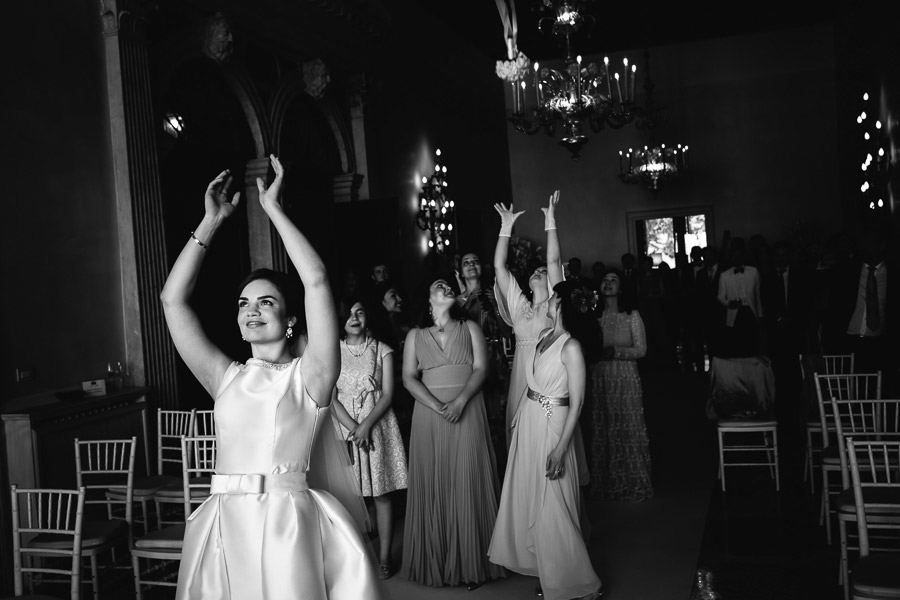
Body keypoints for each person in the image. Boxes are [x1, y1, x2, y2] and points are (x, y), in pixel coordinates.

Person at [162, 155, 384, 599]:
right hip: (225, 525)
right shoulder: (224, 377)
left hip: (289, 525)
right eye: (244, 304)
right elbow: (172, 300)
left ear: (289, 321)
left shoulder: (312, 376)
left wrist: (273, 209)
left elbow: (317, 281)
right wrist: (209, 223)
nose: (251, 310)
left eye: (265, 302)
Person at [488, 278, 603, 600]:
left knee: (555, 501)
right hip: (530, 421)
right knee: (531, 494)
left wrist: (562, 447)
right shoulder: (542, 336)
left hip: (555, 425)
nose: (548, 300)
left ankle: (578, 582)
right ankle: (551, 572)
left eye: (554, 298)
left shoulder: (572, 346)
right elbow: (533, 382)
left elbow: (577, 403)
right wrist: (520, 410)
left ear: (563, 305)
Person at [399, 274, 506, 588]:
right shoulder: (415, 336)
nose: (444, 287)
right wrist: (436, 407)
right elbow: (408, 378)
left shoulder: (469, 327)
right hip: (429, 416)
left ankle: (472, 563)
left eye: (448, 284)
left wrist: (460, 402)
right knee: (435, 481)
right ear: (428, 299)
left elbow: (482, 368)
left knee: (468, 478)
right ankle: (437, 561)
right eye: (437, 285)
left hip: (468, 409)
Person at [331, 298, 408, 579]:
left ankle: (385, 556)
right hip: (344, 429)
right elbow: (329, 397)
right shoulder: (333, 351)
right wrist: (354, 428)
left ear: (368, 317)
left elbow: (388, 393)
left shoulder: (382, 350)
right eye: (348, 312)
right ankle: (356, 557)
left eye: (360, 312)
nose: (354, 317)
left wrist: (366, 427)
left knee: (382, 495)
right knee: (348, 497)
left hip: (378, 427)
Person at [492, 192, 565, 448]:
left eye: (543, 271)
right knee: (521, 438)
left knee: (546, 437)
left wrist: (551, 221)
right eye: (535, 269)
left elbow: (554, 261)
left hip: (547, 378)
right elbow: (500, 268)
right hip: (520, 378)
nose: (538, 270)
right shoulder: (519, 305)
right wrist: (506, 227)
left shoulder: (556, 305)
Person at [590, 268, 653, 502]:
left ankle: (634, 481)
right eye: (604, 280)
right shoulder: (593, 317)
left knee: (628, 425)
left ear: (621, 287)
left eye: (613, 280)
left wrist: (616, 351)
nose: (607, 283)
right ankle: (607, 483)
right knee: (604, 426)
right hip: (600, 377)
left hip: (626, 378)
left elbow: (642, 349)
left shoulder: (632, 316)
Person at [456, 251, 511, 438]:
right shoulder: (456, 301)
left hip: (495, 355)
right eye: (466, 262)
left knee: (500, 410)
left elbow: (507, 332)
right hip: (471, 358)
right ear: (461, 272)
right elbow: (455, 333)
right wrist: (469, 302)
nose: (471, 264)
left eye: (475, 261)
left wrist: (495, 305)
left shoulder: (494, 294)